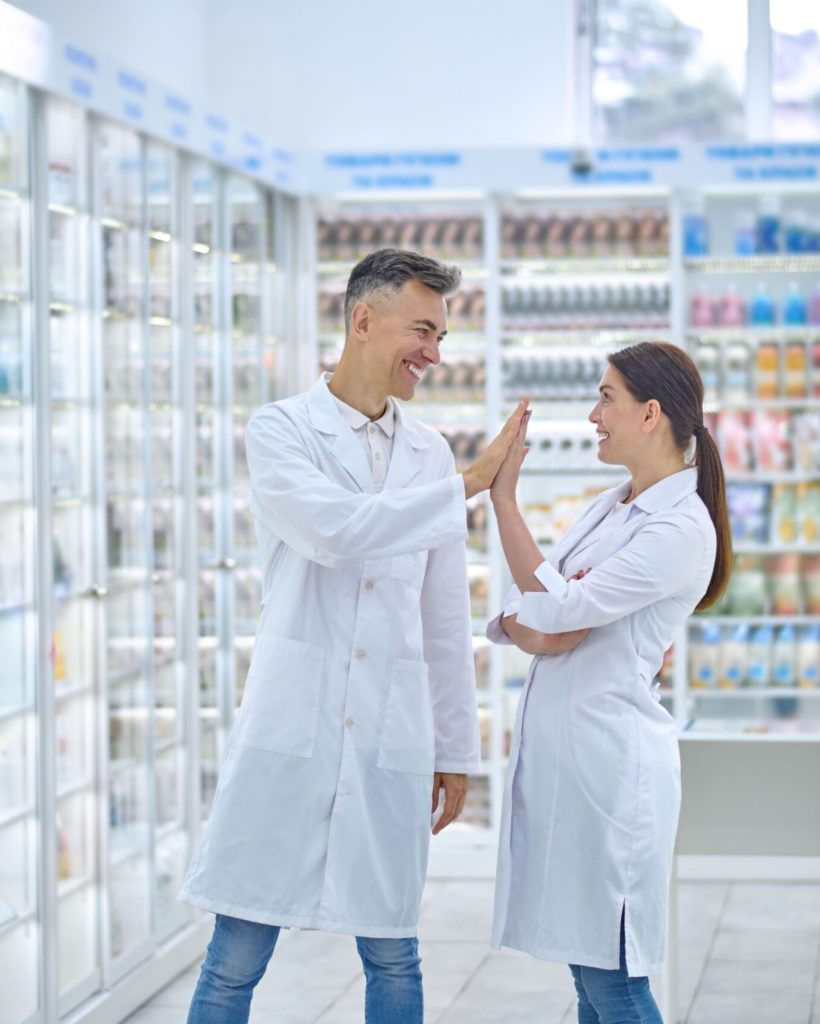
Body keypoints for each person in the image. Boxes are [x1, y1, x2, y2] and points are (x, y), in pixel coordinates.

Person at [180, 248, 528, 1024]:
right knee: (236, 950)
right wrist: (466, 486)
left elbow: (443, 617)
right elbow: (334, 531)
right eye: (423, 332)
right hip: (291, 724)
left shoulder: (428, 453)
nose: (435, 355)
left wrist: (454, 749)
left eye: (441, 337)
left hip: (387, 731)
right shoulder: (281, 431)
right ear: (363, 321)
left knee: (393, 948)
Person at [486, 341, 731, 1024]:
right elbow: (533, 611)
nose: (594, 415)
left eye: (606, 397)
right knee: (590, 979)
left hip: (609, 777)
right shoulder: (610, 505)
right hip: (575, 767)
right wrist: (545, 614)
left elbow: (552, 608)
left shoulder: (681, 528)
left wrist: (505, 501)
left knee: (612, 983)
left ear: (650, 413)